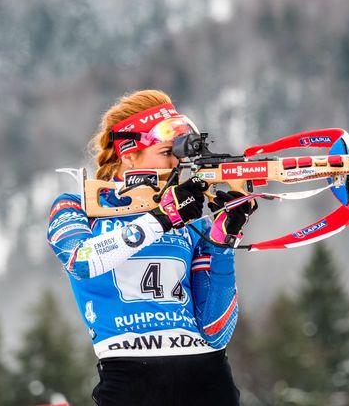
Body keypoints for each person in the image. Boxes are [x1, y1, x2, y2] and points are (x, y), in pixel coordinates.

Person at [46, 89, 255, 405]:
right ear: (128, 153)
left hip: (208, 380)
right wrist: (161, 219)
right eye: (166, 151)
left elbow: (216, 330)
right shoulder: (77, 208)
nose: (176, 163)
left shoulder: (189, 217)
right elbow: (81, 260)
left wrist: (223, 239)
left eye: (179, 153)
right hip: (130, 381)